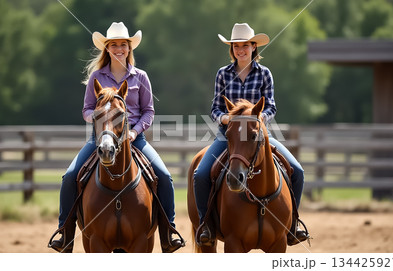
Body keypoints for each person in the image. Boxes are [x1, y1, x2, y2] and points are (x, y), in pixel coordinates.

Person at [50, 22, 183, 252]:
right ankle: (64, 233)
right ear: (107, 49)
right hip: (100, 139)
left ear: (129, 48)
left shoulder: (140, 77)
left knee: (165, 176)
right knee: (70, 176)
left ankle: (168, 233)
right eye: (114, 45)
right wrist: (101, 119)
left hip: (134, 139)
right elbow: (86, 110)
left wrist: (133, 131)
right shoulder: (96, 77)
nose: (119, 49)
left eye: (123, 44)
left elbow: (148, 111)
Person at [193, 23, 309, 246]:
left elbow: (271, 107)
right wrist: (226, 119)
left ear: (253, 47)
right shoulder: (223, 74)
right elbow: (216, 108)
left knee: (298, 171)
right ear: (232, 49)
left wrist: (259, 119)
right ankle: (205, 224)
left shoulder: (265, 74)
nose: (241, 50)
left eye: (245, 45)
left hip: (258, 135)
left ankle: (293, 224)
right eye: (236, 46)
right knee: (200, 174)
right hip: (229, 136)